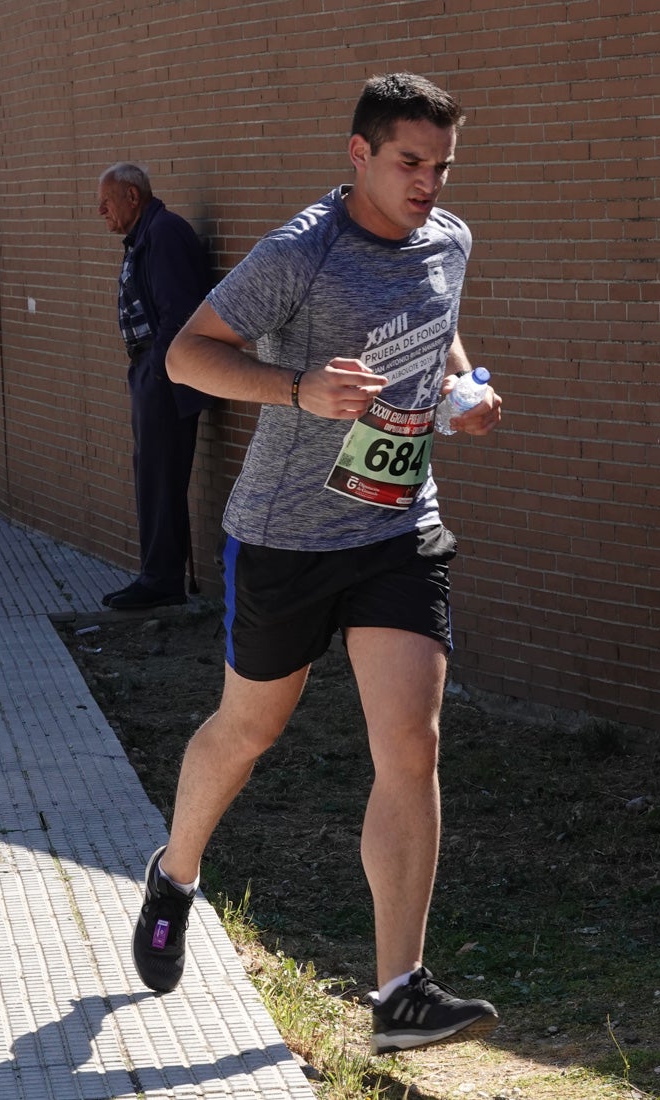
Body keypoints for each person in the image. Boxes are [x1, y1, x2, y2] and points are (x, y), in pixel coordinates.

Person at [131, 73, 503, 1054]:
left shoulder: (450, 238)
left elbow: (441, 324)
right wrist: (299, 389)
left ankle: (399, 992)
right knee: (248, 727)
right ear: (360, 153)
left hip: (396, 528)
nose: (427, 183)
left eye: (441, 166)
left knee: (412, 743)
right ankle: (174, 869)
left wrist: (464, 386)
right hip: (286, 535)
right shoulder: (303, 250)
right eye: (408, 163)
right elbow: (186, 353)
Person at [96, 163, 213, 609]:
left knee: (161, 476)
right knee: (153, 474)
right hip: (153, 373)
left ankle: (161, 581)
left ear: (132, 195)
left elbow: (178, 314)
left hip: (165, 376)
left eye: (106, 201)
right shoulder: (148, 234)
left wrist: (160, 375)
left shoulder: (163, 234)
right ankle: (157, 574)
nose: (99, 210)